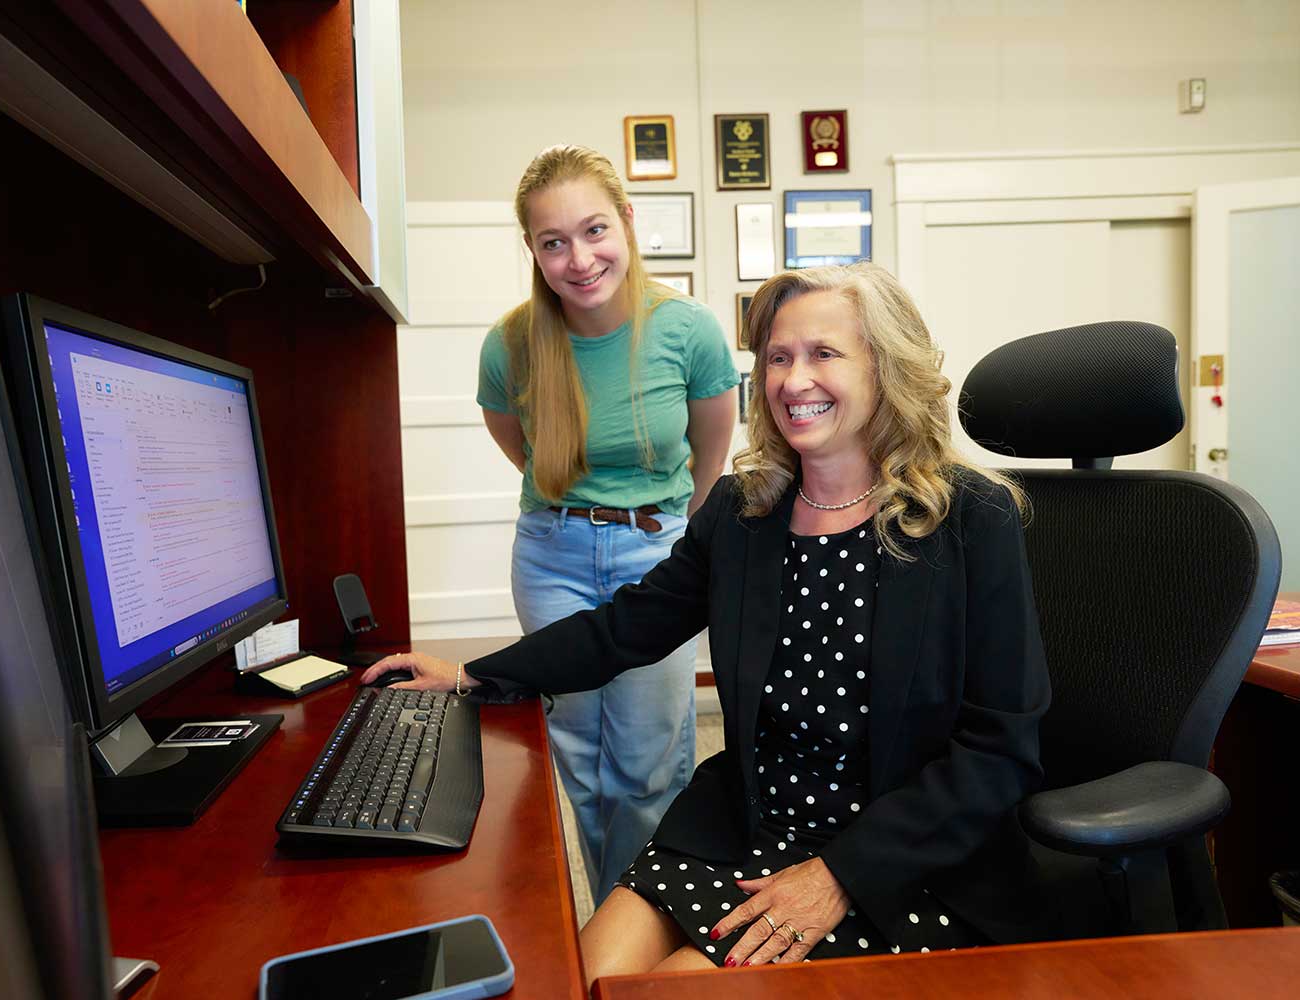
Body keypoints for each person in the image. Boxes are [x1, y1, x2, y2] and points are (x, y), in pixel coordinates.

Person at [366, 262, 1052, 978]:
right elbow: (626, 626)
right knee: (590, 979)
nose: (793, 381)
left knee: (669, 989)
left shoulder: (968, 517)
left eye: (824, 354)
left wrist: (840, 874)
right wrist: (474, 674)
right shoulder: (743, 512)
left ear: (886, 369)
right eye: (778, 358)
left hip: (897, 859)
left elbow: (1000, 749)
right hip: (748, 823)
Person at [474, 144, 739, 904]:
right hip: (551, 553)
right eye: (553, 242)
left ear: (627, 220)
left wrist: (678, 549)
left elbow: (710, 458)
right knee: (580, 760)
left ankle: (651, 917)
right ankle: (614, 911)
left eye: (593, 230)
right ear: (532, 250)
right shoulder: (513, 342)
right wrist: (578, 502)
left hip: (656, 548)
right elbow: (515, 444)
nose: (578, 259)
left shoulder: (687, 330)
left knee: (649, 764)